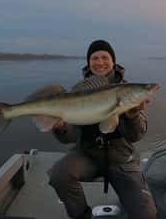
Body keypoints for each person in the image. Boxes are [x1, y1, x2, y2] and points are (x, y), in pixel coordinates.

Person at [48, 39, 158, 219]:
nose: (100, 62)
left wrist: (133, 116)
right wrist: (60, 128)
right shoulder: (78, 93)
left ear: (113, 62)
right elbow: (70, 137)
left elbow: (136, 136)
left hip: (121, 159)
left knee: (146, 215)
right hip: (87, 154)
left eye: (105, 57)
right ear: (88, 63)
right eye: (94, 58)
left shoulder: (126, 91)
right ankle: (82, 216)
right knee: (59, 175)